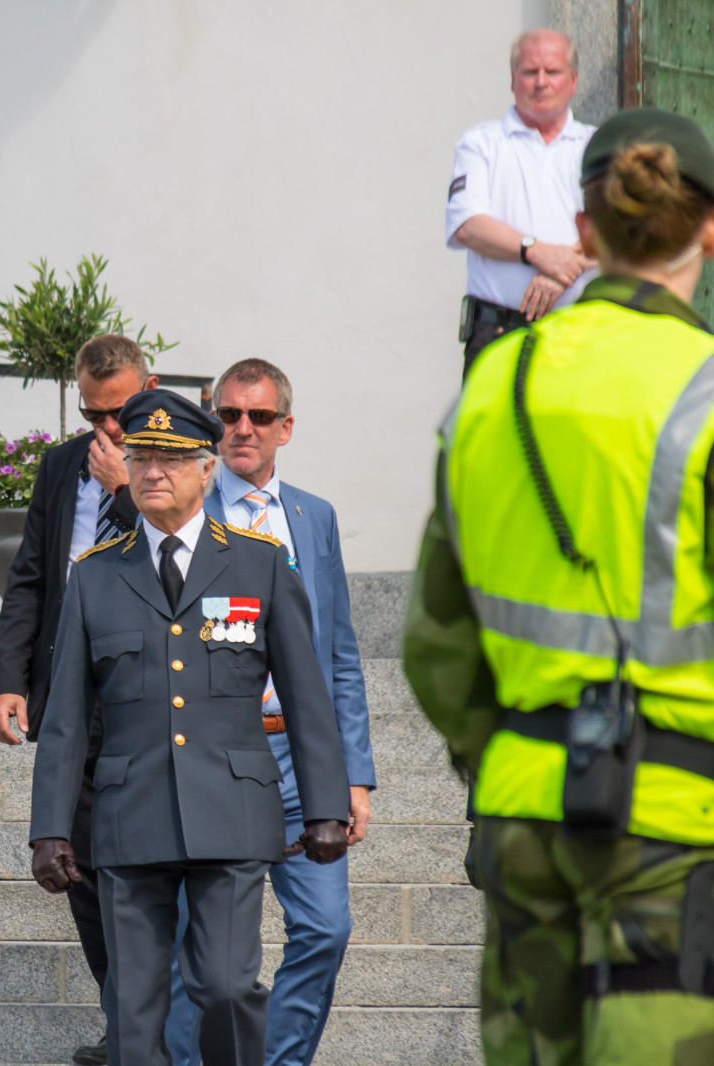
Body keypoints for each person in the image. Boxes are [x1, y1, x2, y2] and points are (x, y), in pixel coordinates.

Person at [404, 107, 714, 1065]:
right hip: (678, 817)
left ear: (582, 231)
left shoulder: (493, 386)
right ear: (708, 231)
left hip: (525, 808)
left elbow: (435, 644)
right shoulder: (705, 386)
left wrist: (510, 753)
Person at [30, 389, 350, 1066]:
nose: (152, 472)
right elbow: (64, 718)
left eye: (171, 460)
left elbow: (306, 696)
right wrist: (50, 828)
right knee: (133, 1006)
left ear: (207, 470)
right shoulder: (95, 575)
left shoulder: (261, 563)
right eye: (142, 457)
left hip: (232, 810)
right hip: (130, 814)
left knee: (226, 987)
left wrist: (326, 805)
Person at [166, 359, 375, 1066]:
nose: (242, 429)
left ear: (286, 427)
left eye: (258, 417)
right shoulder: (187, 510)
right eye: (229, 415)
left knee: (325, 928)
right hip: (215, 759)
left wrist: (353, 774)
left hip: (299, 763)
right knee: (197, 950)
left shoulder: (314, 517)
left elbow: (338, 653)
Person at [0, 334, 158, 1065]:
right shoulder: (61, 465)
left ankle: (151, 1030)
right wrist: (9, 677)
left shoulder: (174, 462)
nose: (107, 428)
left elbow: (176, 559)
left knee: (144, 875)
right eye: (93, 413)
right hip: (68, 696)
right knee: (78, 868)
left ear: (149, 389)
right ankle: (125, 1022)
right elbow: (30, 576)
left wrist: (124, 488)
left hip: (145, 698)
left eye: (119, 411)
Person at [446, 29, 596, 376]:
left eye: (552, 72)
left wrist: (563, 271)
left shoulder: (598, 145)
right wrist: (537, 252)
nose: (541, 82)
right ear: (513, 80)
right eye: (530, 72)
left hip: (578, 336)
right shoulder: (481, 144)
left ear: (573, 81)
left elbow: (624, 232)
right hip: (499, 335)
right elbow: (468, 226)